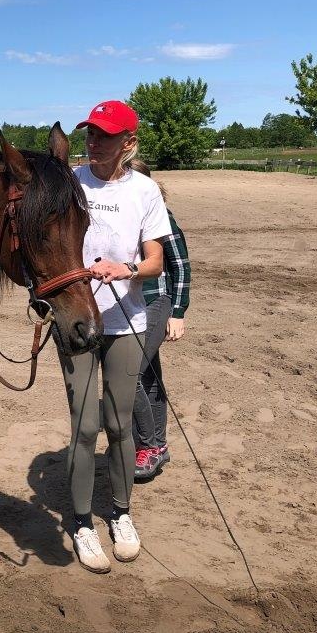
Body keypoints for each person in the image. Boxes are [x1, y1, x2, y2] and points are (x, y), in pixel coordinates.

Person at [62, 100, 171, 573]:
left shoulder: (145, 191)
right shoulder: (70, 184)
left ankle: (121, 514)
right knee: (85, 426)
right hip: (77, 321)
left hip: (126, 320)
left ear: (129, 142)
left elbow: (156, 261)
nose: (93, 142)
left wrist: (126, 268)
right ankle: (82, 524)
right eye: (90, 133)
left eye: (104, 135)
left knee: (120, 424)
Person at [130, 159, 191, 480]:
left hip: (156, 301)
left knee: (130, 375)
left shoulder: (162, 217)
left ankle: (147, 445)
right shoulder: (123, 215)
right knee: (149, 376)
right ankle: (159, 445)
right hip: (130, 304)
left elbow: (180, 265)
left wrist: (178, 312)